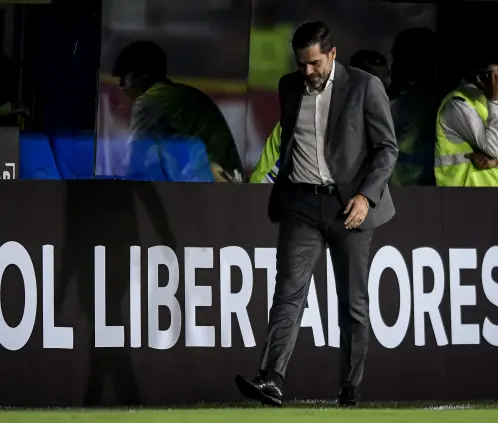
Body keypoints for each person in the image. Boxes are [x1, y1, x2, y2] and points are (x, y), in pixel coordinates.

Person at [235, 21, 398, 406]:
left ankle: (349, 387)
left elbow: (387, 149)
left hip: (350, 207)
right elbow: (291, 140)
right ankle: (271, 377)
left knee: (352, 303)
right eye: (301, 64)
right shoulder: (289, 87)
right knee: (288, 293)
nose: (307, 72)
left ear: (332, 54)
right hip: (303, 205)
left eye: (314, 63)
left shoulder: (364, 86)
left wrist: (365, 197)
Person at [250, 51, 389, 184]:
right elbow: (265, 178)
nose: (378, 91)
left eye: (385, 82)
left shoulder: (390, 125)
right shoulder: (301, 119)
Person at [112, 41, 243, 182]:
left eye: (124, 79)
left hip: (210, 182)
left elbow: (133, 163)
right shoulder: (180, 94)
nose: (121, 86)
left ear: (143, 75)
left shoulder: (150, 101)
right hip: (226, 180)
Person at [435, 55, 498, 186]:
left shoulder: (485, 101)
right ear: (483, 77)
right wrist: (495, 101)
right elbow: (494, 148)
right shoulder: (457, 105)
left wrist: (496, 161)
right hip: (467, 195)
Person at [388, 28, 437, 186]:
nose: (392, 65)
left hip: (404, 192)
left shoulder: (402, 107)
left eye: (397, 58)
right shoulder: (438, 102)